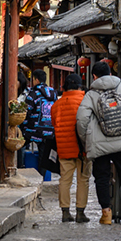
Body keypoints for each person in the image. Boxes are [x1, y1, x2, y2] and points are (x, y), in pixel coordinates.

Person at [77, 60, 121, 225]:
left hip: (100, 143)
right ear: (110, 73)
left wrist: (85, 138)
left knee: (102, 177)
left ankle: (106, 214)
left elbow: (81, 119)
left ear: (94, 76)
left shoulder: (91, 94)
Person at [51, 74, 90, 223]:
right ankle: (80, 212)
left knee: (65, 180)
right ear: (80, 86)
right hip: (83, 148)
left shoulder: (57, 105)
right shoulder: (85, 101)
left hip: (64, 148)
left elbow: (54, 124)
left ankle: (65, 212)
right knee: (83, 180)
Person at [23, 69, 56, 145]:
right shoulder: (53, 93)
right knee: (43, 156)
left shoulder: (33, 94)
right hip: (49, 132)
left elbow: (26, 112)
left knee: (20, 147)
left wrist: (23, 126)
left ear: (36, 80)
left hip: (32, 131)